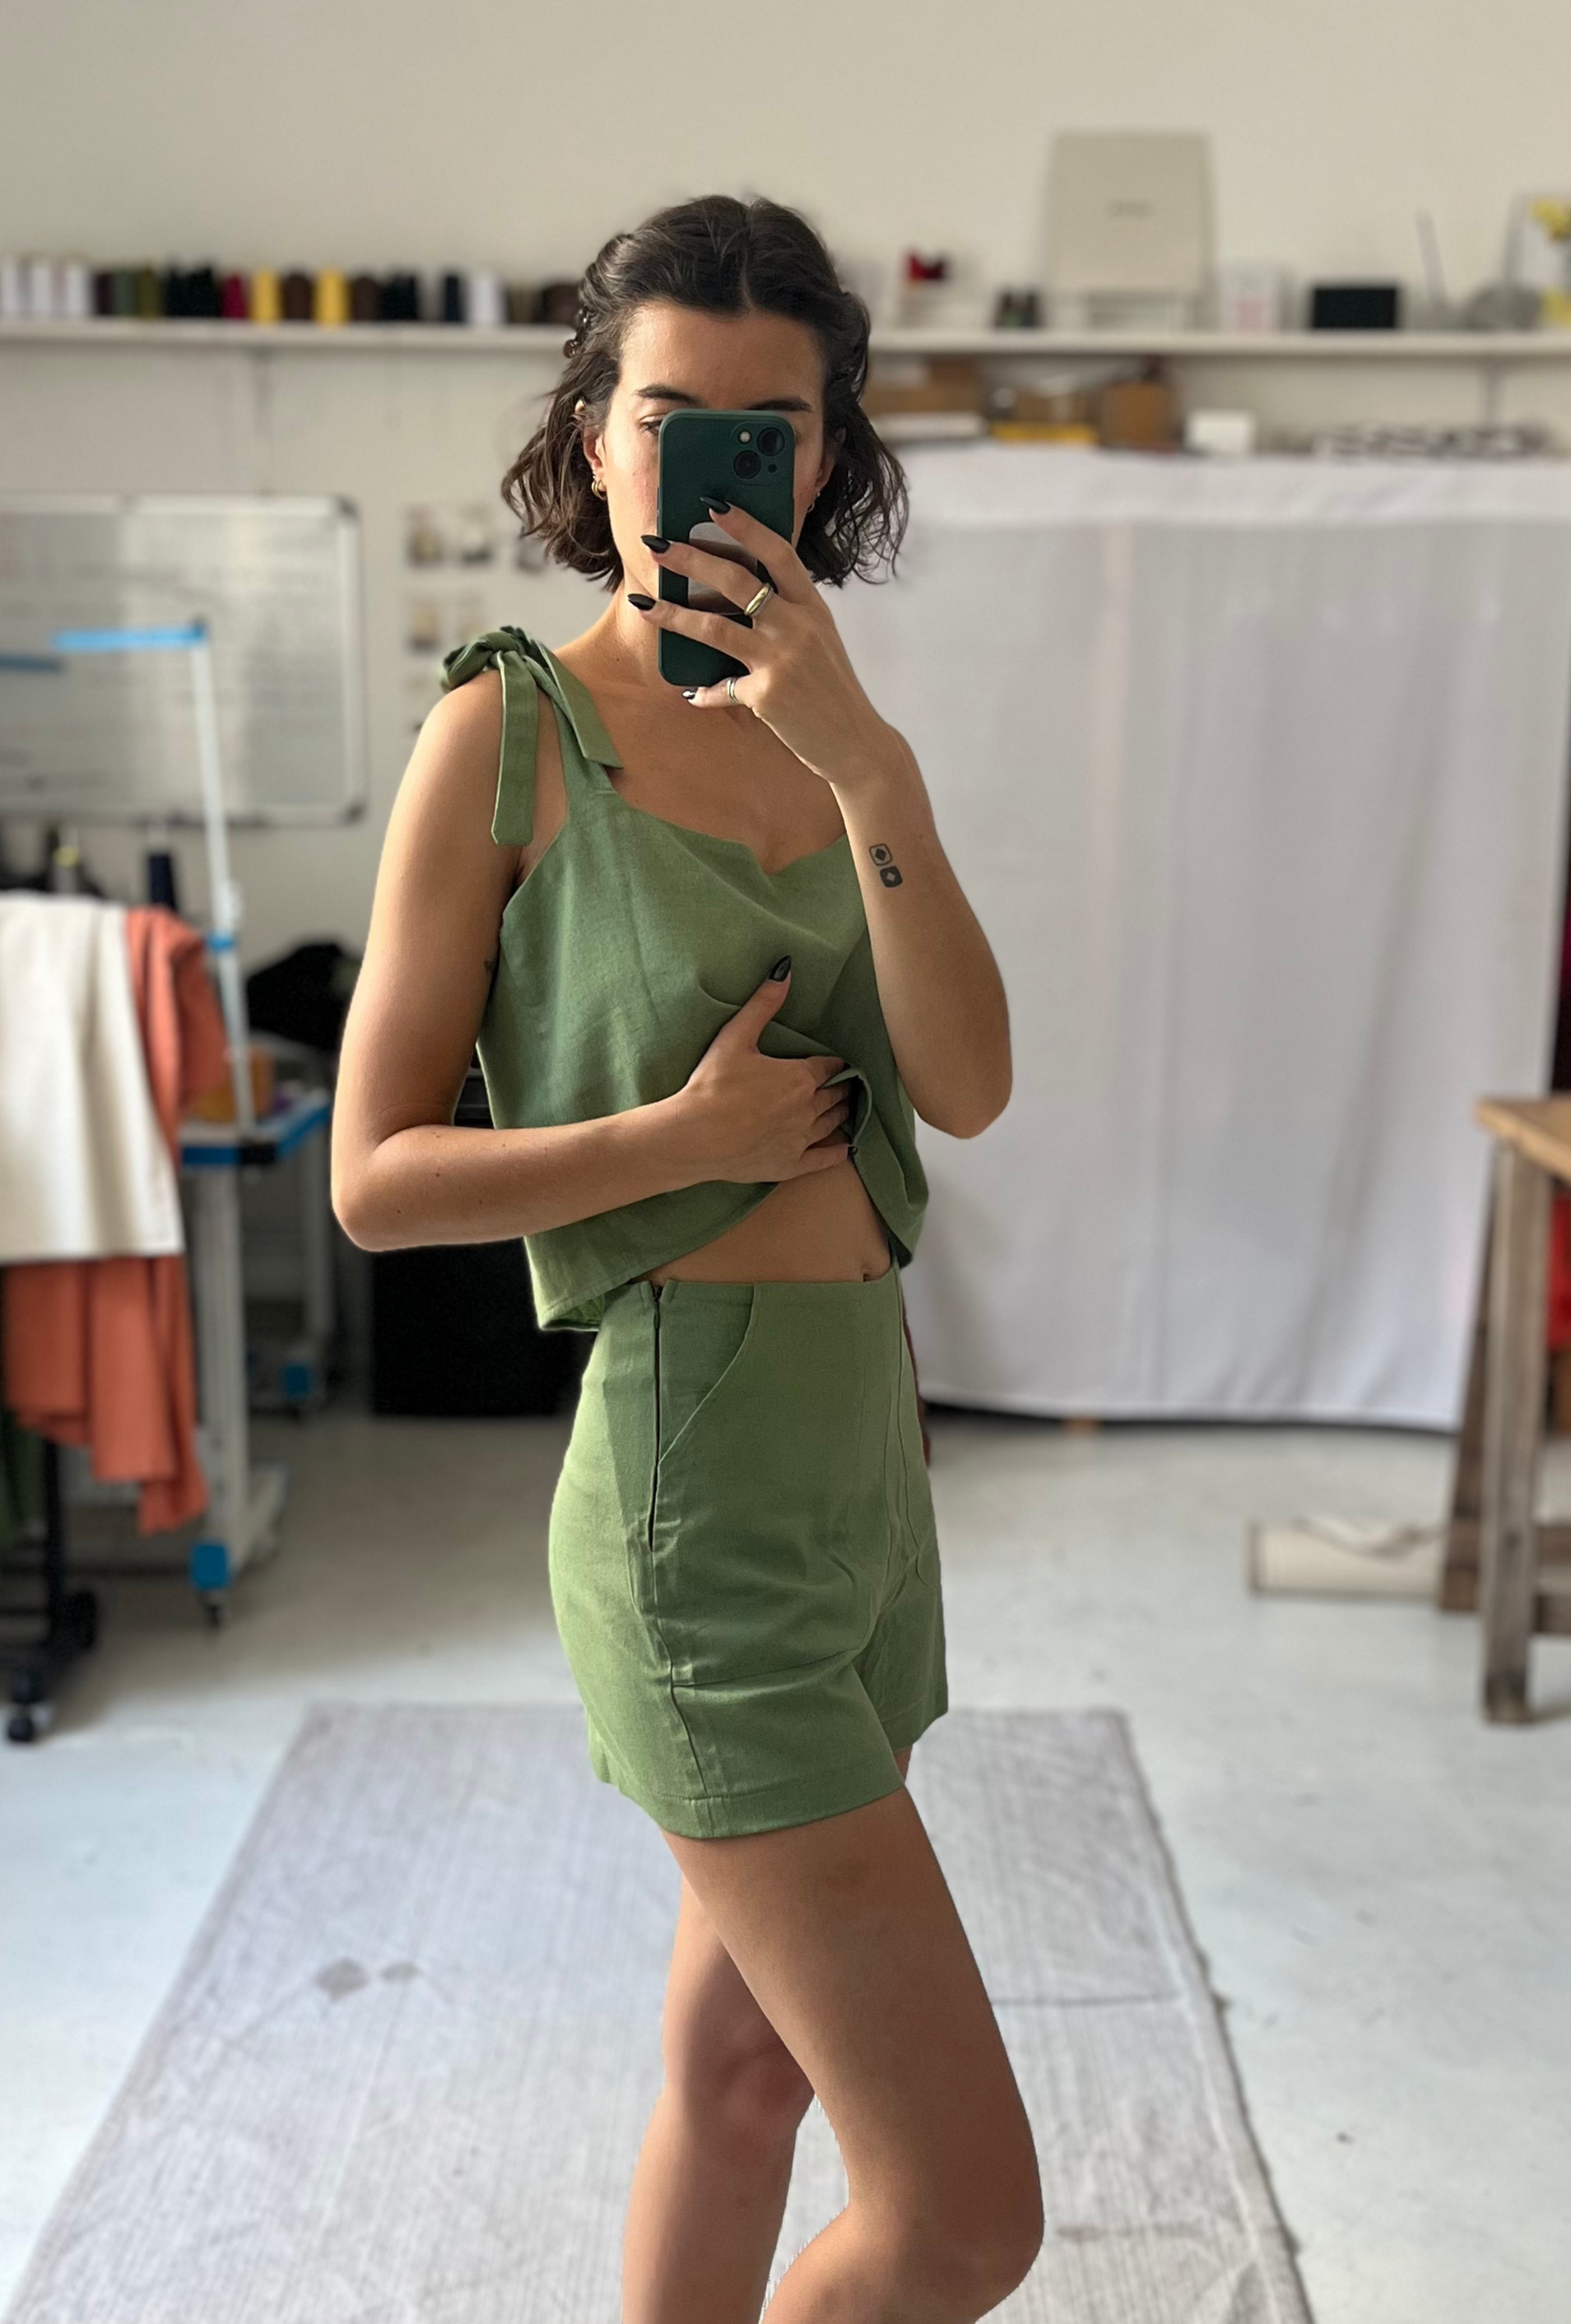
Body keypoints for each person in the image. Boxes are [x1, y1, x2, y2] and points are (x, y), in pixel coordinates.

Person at [331, 193, 1041, 2324]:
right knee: (964, 2220)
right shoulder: (508, 737)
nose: (714, 463)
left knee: (744, 2085)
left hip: (862, 1471)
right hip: (690, 1490)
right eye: (668, 416)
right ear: (598, 437)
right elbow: (374, 1178)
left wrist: (868, 762)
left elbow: (970, 1086)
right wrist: (675, 1145)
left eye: (770, 426)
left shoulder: (845, 745)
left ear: (824, 460)